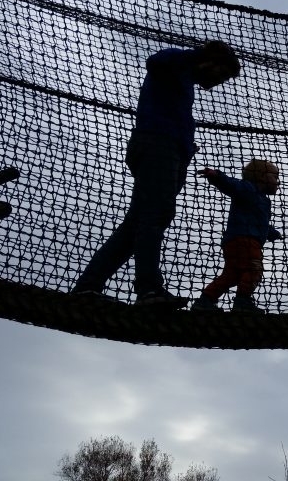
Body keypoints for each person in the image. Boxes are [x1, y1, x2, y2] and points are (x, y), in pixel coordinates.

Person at [71, 41, 241, 308]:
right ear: (211, 60)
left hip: (168, 149)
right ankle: (149, 290)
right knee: (155, 214)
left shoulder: (185, 80)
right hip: (158, 145)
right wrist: (195, 58)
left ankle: (87, 286)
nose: (218, 81)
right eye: (220, 74)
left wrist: (185, 148)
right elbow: (156, 61)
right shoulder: (177, 63)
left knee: (136, 225)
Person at [191, 159, 281, 313]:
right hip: (245, 240)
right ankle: (242, 301)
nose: (278, 182)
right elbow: (231, 184)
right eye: (275, 177)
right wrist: (217, 176)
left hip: (235, 241)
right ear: (261, 176)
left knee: (232, 274)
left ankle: (205, 300)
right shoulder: (247, 189)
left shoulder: (264, 201)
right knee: (254, 269)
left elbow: (261, 222)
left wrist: (272, 233)